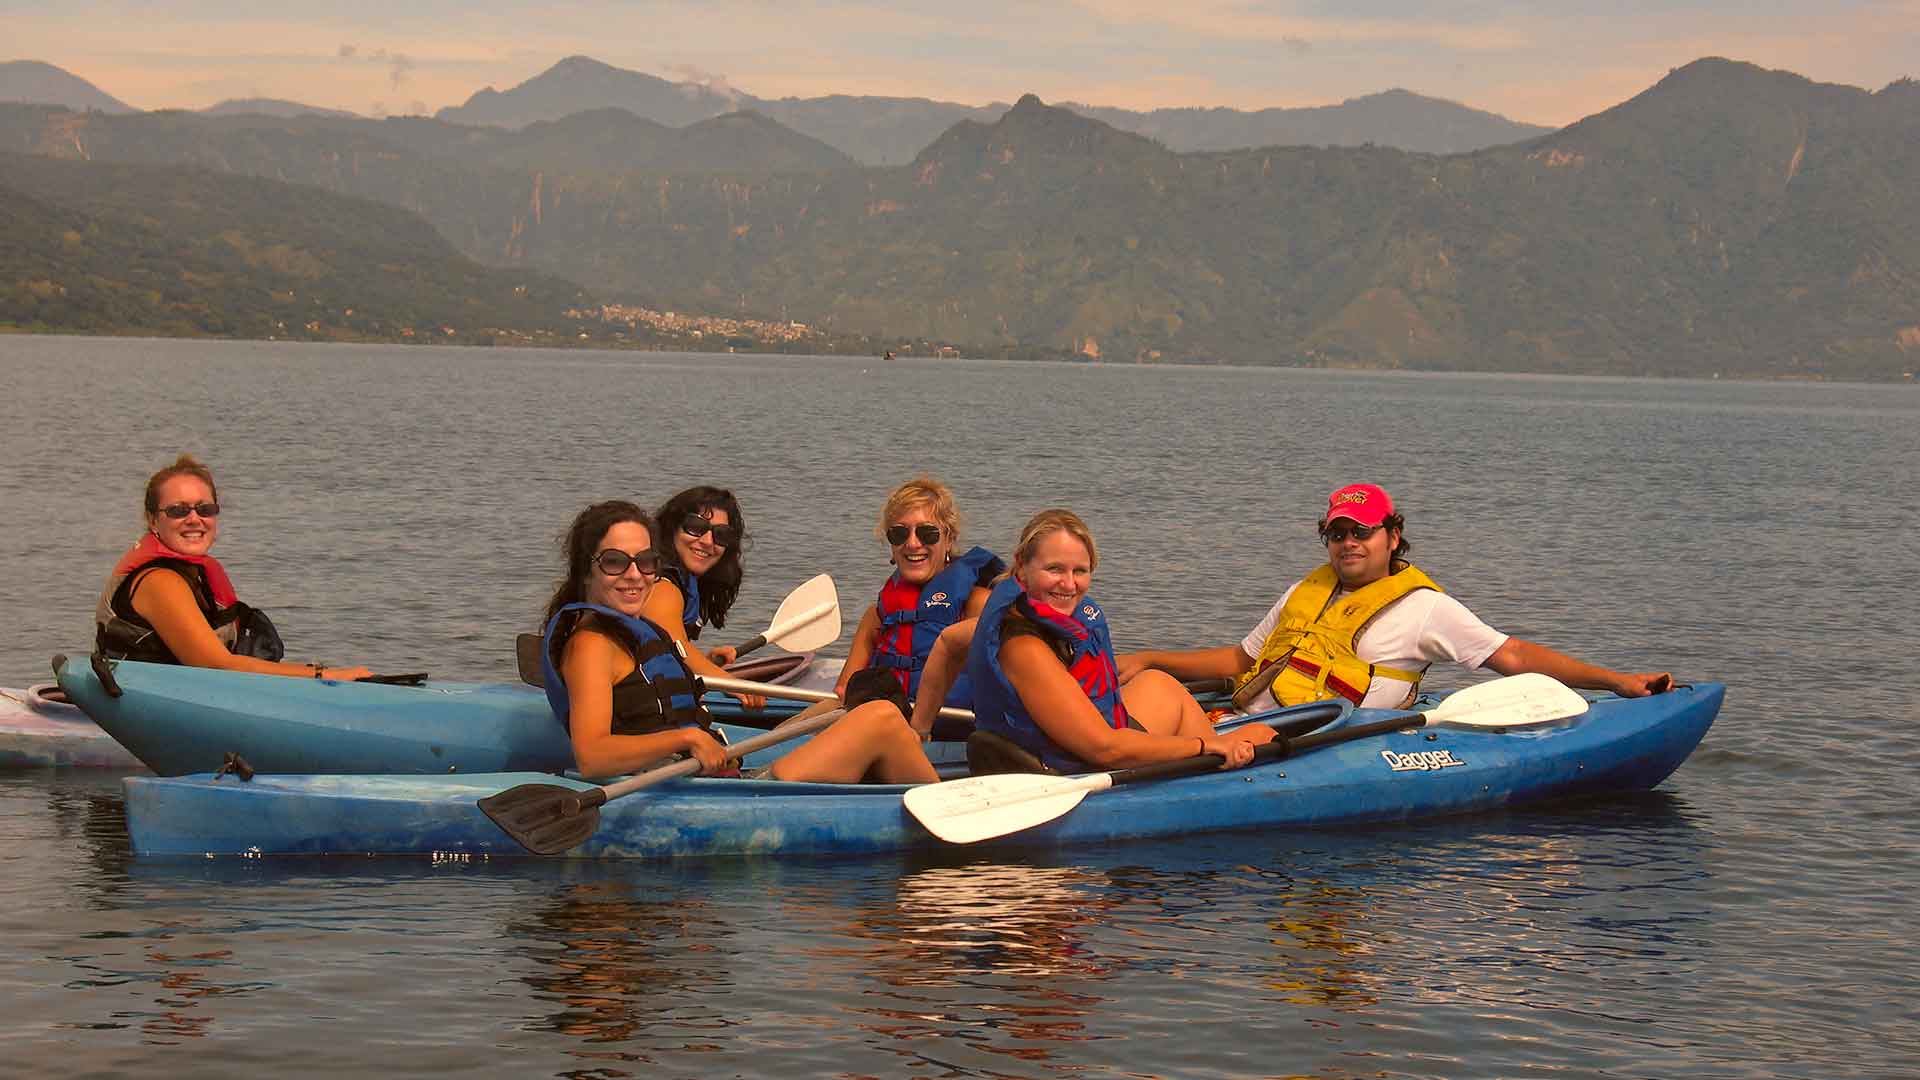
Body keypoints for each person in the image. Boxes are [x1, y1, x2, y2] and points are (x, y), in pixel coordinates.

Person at [1118, 483, 1674, 712]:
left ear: (1392, 536)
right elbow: (1240, 661)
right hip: (1242, 722)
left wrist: (1618, 681)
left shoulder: (1425, 608)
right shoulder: (1302, 592)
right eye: (1338, 533)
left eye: (1362, 531)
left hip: (1319, 741)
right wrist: (1149, 657)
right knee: (1149, 686)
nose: (1349, 543)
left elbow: (1514, 657)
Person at [541, 500, 936, 783]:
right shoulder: (591, 644)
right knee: (882, 715)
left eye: (645, 562)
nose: (635, 575)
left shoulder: (632, 628)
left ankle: (905, 788)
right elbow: (591, 758)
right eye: (615, 562)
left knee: (839, 707)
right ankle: (938, 810)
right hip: (700, 790)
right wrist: (688, 737)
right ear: (587, 568)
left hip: (720, 770)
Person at [912, 510, 1267, 774]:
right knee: (1259, 734)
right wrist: (1206, 745)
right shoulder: (1024, 648)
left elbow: (947, 644)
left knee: (1159, 683)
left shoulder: (1014, 611)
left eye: (1079, 571)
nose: (1069, 584)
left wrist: (921, 730)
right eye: (1054, 569)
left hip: (1063, 744)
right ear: (1022, 567)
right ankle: (1215, 772)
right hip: (1068, 767)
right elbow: (1105, 749)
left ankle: (1213, 766)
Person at [93, 454, 372, 680]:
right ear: (153, 520)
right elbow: (217, 666)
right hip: (143, 710)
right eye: (178, 510)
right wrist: (324, 675)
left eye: (205, 509)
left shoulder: (195, 577)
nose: (194, 519)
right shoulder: (159, 582)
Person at [834, 477, 1003, 736]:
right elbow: (844, 695)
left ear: (949, 539)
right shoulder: (877, 616)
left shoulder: (977, 604)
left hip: (953, 737)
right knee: (826, 709)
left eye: (928, 533)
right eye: (899, 533)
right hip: (882, 731)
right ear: (891, 546)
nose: (913, 544)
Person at [646, 486, 762, 710]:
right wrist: (730, 683)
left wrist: (706, 662)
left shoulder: (683, 583)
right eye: (696, 527)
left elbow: (665, 658)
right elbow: (676, 647)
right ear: (671, 527)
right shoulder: (663, 587)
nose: (708, 541)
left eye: (722, 535)